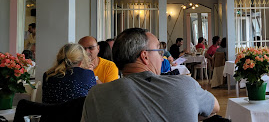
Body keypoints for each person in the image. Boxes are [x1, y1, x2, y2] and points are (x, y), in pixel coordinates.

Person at [81, 28, 220, 122]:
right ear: (145, 56)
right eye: (159, 51)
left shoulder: (96, 95)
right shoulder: (185, 85)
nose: (161, 58)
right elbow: (215, 107)